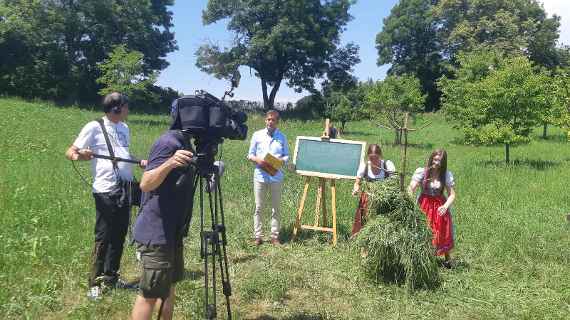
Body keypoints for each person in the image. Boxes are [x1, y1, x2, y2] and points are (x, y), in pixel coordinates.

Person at [65, 92, 146, 298]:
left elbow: (122, 154)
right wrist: (81, 155)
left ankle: (111, 276)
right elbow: (71, 152)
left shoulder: (124, 128)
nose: (128, 110)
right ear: (117, 108)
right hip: (105, 190)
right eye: (126, 106)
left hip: (125, 187)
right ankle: (95, 282)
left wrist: (139, 161)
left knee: (119, 234)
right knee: (103, 236)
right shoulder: (94, 127)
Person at [130, 101, 195, 320]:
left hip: (172, 229)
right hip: (156, 232)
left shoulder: (186, 142)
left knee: (169, 288)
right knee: (150, 294)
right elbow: (146, 183)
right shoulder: (168, 142)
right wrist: (170, 163)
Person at [407, 149, 456, 268]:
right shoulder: (422, 172)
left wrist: (445, 206)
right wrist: (410, 196)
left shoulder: (446, 175)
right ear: (431, 158)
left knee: (442, 230)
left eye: (440, 160)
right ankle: (423, 256)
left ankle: (447, 258)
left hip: (439, 204)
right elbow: (411, 187)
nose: (437, 162)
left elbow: (452, 195)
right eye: (435, 159)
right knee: (424, 229)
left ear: (443, 162)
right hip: (424, 204)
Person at [247, 110, 289, 245]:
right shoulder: (257, 135)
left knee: (276, 208)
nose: (270, 122)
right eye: (268, 119)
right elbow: (250, 154)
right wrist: (258, 161)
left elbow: (287, 156)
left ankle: (274, 236)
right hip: (260, 176)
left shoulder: (282, 137)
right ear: (265, 120)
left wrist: (279, 161)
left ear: (277, 122)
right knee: (259, 207)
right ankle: (258, 236)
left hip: (276, 175)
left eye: (273, 120)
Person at [351, 144, 396, 236]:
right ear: (368, 157)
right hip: (368, 199)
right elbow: (357, 182)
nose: (374, 161)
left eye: (376, 158)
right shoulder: (364, 166)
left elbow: (394, 183)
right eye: (371, 158)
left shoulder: (387, 165)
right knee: (365, 222)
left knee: (382, 223)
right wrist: (356, 189)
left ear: (380, 156)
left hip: (384, 200)